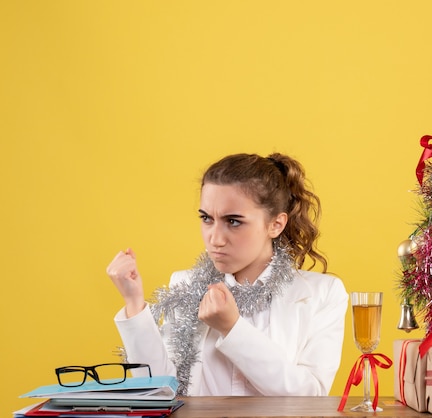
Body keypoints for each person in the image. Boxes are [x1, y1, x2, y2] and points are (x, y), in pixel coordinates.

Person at [106, 153, 348, 397]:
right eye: (206, 219)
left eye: (233, 221)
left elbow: (311, 395)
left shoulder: (323, 293)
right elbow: (159, 391)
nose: (215, 238)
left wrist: (232, 328)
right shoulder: (186, 285)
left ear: (276, 224)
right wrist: (134, 303)